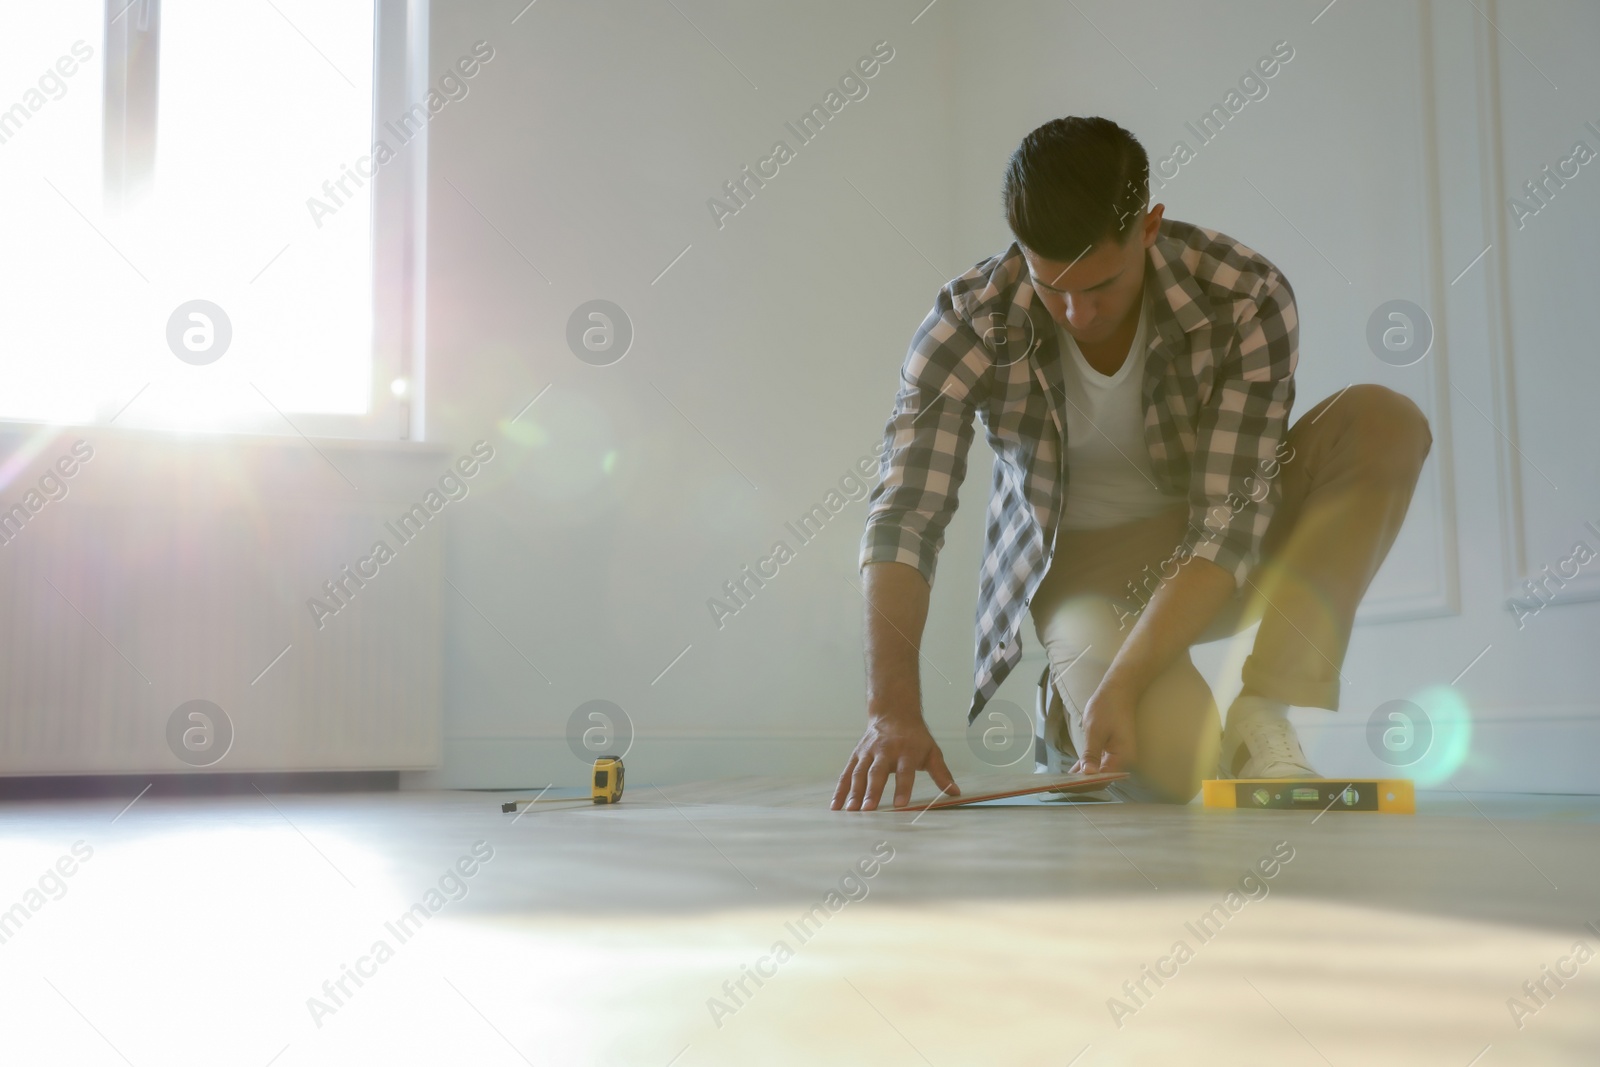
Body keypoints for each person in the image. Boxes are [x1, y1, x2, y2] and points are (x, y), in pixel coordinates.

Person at [832, 116, 1432, 811]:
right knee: (1176, 768)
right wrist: (890, 710)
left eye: (1102, 286)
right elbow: (906, 516)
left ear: (1149, 227)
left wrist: (1125, 679)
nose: (1077, 313)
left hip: (1218, 552)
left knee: (1381, 419)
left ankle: (1261, 712)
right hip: (1085, 577)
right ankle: (1068, 709)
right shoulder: (968, 320)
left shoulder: (1246, 294)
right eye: (1051, 287)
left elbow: (1227, 522)